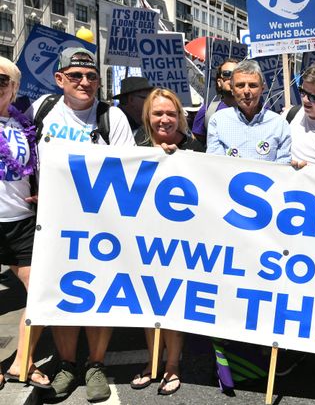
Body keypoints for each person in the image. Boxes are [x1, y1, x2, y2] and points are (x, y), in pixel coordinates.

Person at [27, 46, 135, 402]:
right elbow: (18, 153)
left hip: (99, 223)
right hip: (51, 224)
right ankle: (68, 364)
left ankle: (96, 365)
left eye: (91, 76)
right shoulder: (40, 109)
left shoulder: (111, 118)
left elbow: (128, 168)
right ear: (60, 80)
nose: (84, 82)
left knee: (98, 293)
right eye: (75, 76)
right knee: (62, 292)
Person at [129, 88, 203, 396]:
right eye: (158, 113)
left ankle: (172, 364)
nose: (164, 119)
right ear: (148, 116)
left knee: (172, 303)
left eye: (171, 113)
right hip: (144, 236)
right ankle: (153, 360)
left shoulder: (197, 148)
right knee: (148, 303)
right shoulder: (135, 144)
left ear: (180, 117)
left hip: (183, 241)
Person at [0, 56, 51, 391]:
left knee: (41, 294)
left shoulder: (22, 126)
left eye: (2, 80)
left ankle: (23, 361)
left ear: (15, 87)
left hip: (20, 221)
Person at [206, 59, 291, 162]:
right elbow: (215, 164)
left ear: (262, 88)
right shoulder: (218, 121)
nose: (246, 91)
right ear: (232, 89)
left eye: (253, 85)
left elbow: (283, 168)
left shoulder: (279, 124)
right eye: (240, 85)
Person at [192, 58, 239, 142]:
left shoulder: (257, 110)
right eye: (227, 74)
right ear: (219, 82)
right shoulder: (207, 111)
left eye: (237, 74)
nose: (232, 78)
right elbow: (196, 145)